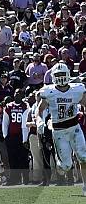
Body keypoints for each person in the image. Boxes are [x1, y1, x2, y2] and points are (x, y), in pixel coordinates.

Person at [37, 63, 86, 194]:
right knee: (66, 165)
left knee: (83, 157)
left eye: (62, 74)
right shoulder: (49, 91)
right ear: (53, 76)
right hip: (59, 131)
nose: (60, 77)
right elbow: (40, 110)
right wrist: (40, 121)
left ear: (68, 75)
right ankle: (60, 163)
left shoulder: (77, 89)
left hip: (75, 128)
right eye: (58, 75)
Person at [2, 90, 30, 185]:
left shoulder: (25, 106)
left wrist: (25, 139)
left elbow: (25, 124)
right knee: (12, 159)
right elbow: (5, 122)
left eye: (19, 93)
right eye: (16, 93)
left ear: (22, 95)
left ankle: (25, 179)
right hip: (12, 136)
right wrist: (5, 135)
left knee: (23, 158)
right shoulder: (8, 106)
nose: (17, 94)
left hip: (21, 135)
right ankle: (14, 179)